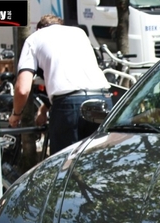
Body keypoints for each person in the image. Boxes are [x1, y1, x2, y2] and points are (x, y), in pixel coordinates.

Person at [9, 14, 112, 155]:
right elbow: (74, 79)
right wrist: (45, 108)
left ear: (38, 29)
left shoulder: (34, 39)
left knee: (65, 163)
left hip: (69, 106)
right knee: (97, 160)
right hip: (102, 98)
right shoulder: (78, 33)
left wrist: (16, 114)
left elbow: (22, 89)